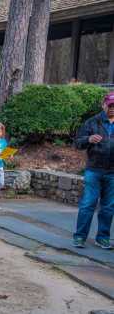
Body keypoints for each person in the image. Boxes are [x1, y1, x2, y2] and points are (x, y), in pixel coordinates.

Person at [72, 92, 114, 250]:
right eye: (110, 106)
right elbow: (78, 143)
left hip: (112, 172)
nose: (113, 109)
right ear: (104, 105)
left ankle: (102, 238)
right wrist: (88, 139)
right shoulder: (92, 122)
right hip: (94, 170)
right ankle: (80, 237)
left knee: (109, 207)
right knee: (88, 204)